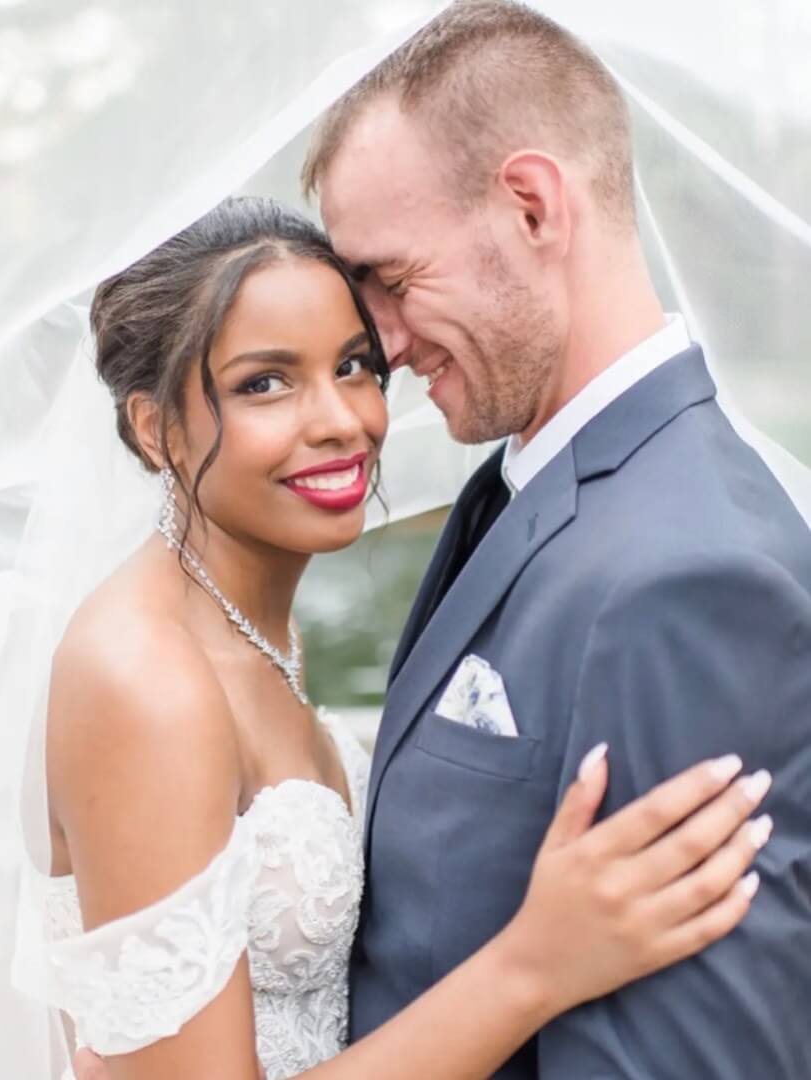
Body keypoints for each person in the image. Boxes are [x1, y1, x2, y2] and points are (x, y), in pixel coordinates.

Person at [42, 195, 769, 1080]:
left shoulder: (255, 630)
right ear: (154, 428)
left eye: (353, 366)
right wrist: (535, 964)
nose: (341, 419)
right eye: (264, 383)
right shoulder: (144, 676)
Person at [299, 1, 811, 1076]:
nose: (380, 344)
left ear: (532, 205)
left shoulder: (687, 576)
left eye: (392, 280)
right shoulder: (531, 484)